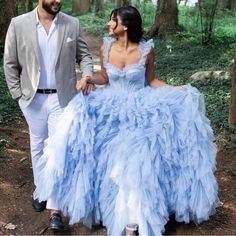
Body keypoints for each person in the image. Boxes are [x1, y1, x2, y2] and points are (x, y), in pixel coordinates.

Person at [34, 5, 220, 235]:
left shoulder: (146, 50)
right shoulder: (106, 46)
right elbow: (105, 77)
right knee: (100, 154)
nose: (109, 24)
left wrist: (176, 89)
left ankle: (132, 222)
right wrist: (89, 79)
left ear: (125, 25)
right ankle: (102, 208)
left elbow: (151, 81)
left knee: (136, 162)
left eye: (113, 20)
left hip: (140, 107)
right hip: (110, 105)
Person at [4, 0, 93, 231]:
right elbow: (10, 63)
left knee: (57, 148)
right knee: (37, 145)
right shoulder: (18, 24)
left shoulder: (71, 24)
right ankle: (40, 188)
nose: (58, 1)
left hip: (61, 98)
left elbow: (84, 56)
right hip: (31, 99)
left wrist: (86, 75)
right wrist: (18, 96)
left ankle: (55, 208)